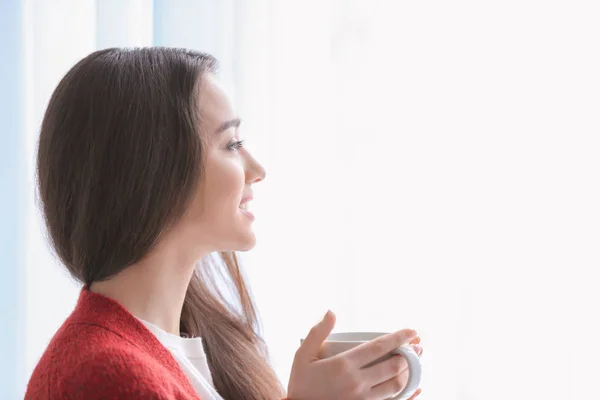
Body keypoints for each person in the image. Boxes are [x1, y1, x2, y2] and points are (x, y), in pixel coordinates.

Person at [25, 47, 423, 400]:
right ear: (153, 174)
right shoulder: (103, 375)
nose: (257, 169)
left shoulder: (196, 349)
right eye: (232, 144)